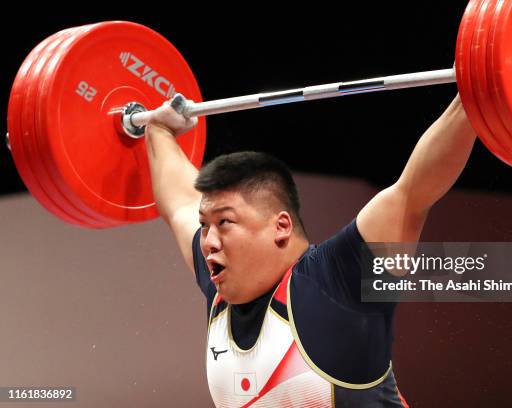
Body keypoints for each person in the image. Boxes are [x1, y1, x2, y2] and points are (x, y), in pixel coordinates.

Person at [144, 94, 476, 407]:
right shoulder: (221, 288)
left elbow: (413, 193)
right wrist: (158, 129)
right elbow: (180, 202)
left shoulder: (334, 281)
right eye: (205, 225)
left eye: (226, 222)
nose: (209, 241)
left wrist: (475, 97)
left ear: (281, 227)